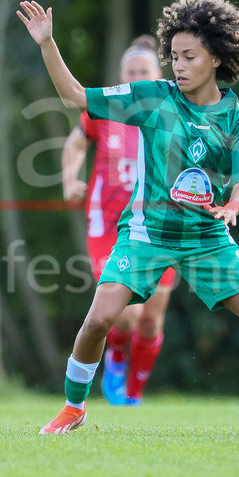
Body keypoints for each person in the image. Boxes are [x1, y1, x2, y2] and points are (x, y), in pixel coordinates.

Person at [17, 0, 239, 436]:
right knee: (98, 321)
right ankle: (73, 409)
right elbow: (73, 96)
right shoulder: (152, 98)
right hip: (146, 235)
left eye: (190, 56)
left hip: (208, 239)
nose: (179, 65)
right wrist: (48, 42)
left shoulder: (237, 118)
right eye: (174, 56)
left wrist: (233, 207)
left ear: (218, 58)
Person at [61, 35, 174, 406]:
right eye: (132, 72)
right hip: (108, 227)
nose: (138, 77)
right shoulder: (106, 109)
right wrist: (69, 179)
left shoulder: (172, 112)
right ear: (122, 76)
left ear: (158, 75)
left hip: (160, 227)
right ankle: (117, 356)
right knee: (126, 316)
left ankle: (133, 396)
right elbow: (77, 143)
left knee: (151, 320)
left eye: (145, 71)